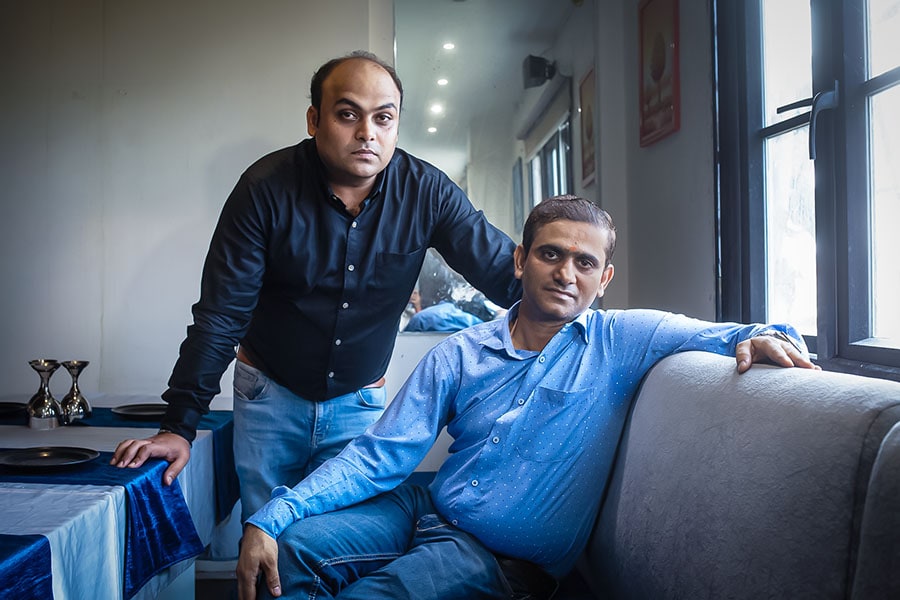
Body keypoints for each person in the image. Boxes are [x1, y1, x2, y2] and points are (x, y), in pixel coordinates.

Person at [235, 195, 820, 600]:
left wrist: (773, 337)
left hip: (497, 561)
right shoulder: (460, 352)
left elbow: (736, 332)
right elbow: (378, 455)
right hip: (426, 509)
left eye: (584, 262)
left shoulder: (623, 342)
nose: (567, 272)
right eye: (551, 254)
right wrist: (271, 515)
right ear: (520, 260)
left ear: (604, 278)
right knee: (290, 550)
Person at [110, 50, 522, 522]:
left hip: (360, 404)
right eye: (348, 114)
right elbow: (222, 316)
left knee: (343, 547)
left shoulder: (428, 192)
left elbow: (501, 271)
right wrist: (178, 426)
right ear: (314, 119)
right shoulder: (264, 189)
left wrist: (581, 322)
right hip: (268, 398)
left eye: (384, 119)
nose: (367, 133)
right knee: (265, 546)